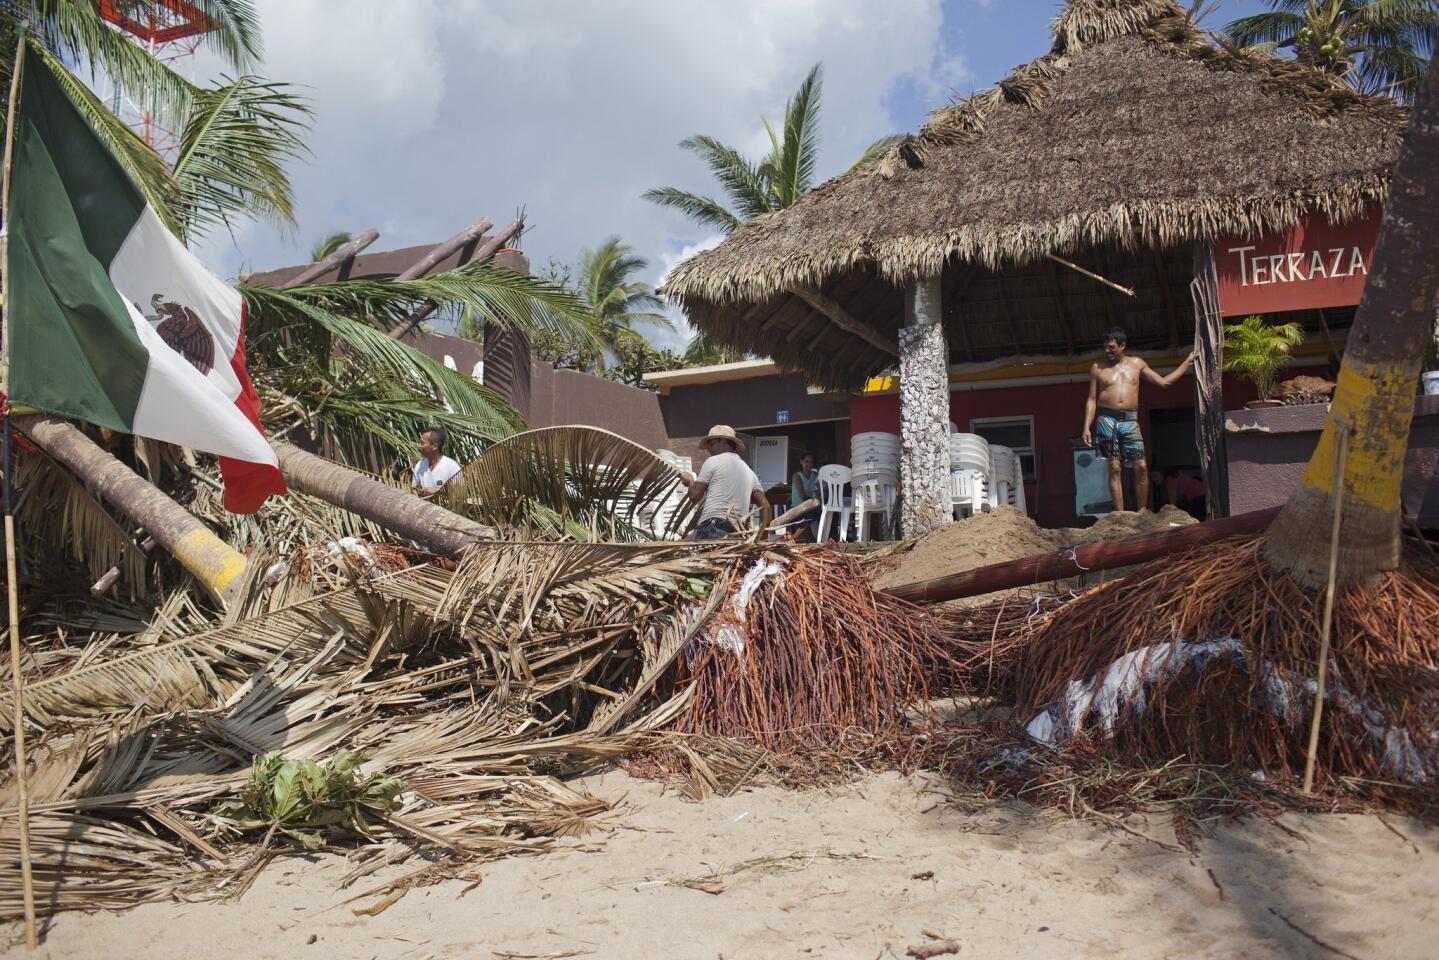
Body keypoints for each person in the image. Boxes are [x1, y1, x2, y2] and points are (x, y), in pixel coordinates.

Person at [1081, 328, 1195, 512]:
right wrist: (1086, 426)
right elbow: (1091, 399)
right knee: (1114, 467)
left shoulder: (1137, 364)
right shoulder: (1097, 368)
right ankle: (1120, 515)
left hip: (1129, 420)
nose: (1107, 351)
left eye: (1111, 347)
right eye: (1105, 348)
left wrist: (1187, 363)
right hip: (1106, 420)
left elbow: (1164, 382)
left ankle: (1142, 513)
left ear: (1122, 345)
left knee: (1141, 466)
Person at [680, 425, 772, 539]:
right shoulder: (749, 472)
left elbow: (694, 496)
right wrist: (762, 537)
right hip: (738, 533)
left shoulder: (713, 461)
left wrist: (690, 481)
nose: (709, 449)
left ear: (723, 442)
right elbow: (766, 506)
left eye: (712, 444)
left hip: (713, 528)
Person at [412, 426, 461, 496]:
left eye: (422, 443)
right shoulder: (419, 466)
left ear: (434, 446)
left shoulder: (452, 467)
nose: (419, 446)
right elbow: (414, 491)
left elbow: (460, 494)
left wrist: (437, 492)